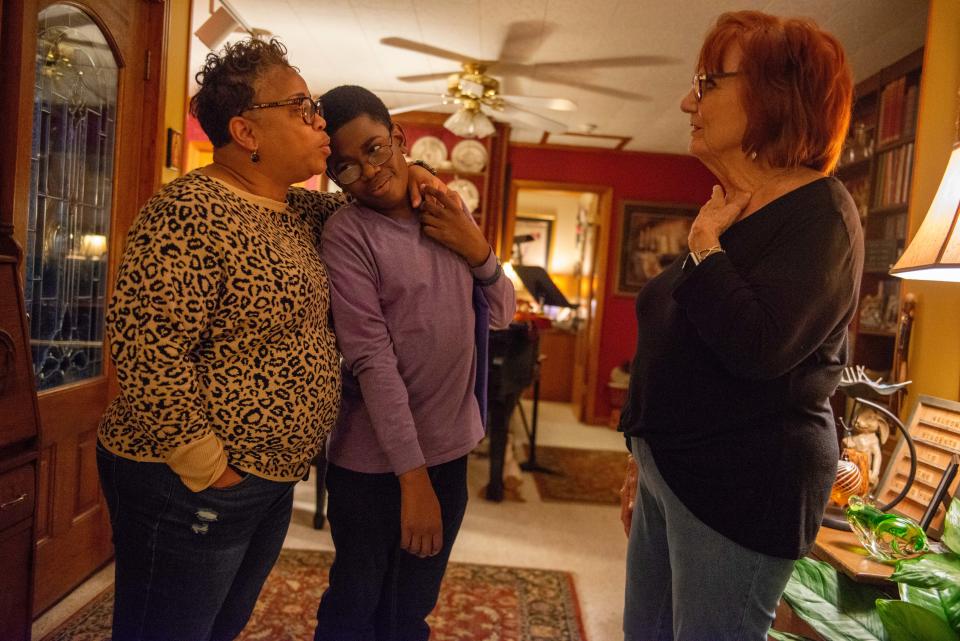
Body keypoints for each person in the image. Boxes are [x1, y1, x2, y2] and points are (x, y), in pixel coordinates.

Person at [96, 39, 441, 641]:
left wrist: (423, 178)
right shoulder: (189, 210)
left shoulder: (299, 212)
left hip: (269, 479)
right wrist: (209, 466)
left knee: (220, 627)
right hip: (191, 483)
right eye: (303, 107)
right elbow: (146, 352)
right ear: (246, 131)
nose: (320, 123)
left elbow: (376, 198)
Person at [617, 11, 864, 641]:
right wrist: (641, 463)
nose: (686, 101)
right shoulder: (734, 210)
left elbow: (759, 345)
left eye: (707, 83)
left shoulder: (822, 213)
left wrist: (704, 245)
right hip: (671, 471)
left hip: (739, 488)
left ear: (774, 94)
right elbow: (680, 338)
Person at [312, 85, 515, 641]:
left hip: (448, 454)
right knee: (355, 607)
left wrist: (474, 245)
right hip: (376, 465)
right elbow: (372, 361)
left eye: (376, 149)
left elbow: (500, 314)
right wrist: (413, 481)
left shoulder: (445, 209)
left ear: (399, 139)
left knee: (410, 612)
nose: (369, 172)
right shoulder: (349, 234)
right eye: (346, 167)